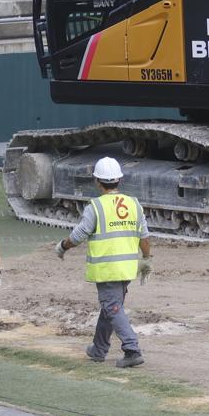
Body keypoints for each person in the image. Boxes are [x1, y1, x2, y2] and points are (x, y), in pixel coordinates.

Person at [54, 156, 153, 368]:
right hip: (126, 268)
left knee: (112, 307)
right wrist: (146, 259)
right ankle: (98, 349)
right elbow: (144, 237)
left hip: (107, 269)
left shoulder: (96, 207)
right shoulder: (134, 204)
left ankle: (132, 348)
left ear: (97, 181)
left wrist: (63, 246)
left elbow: (79, 234)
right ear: (119, 180)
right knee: (110, 307)